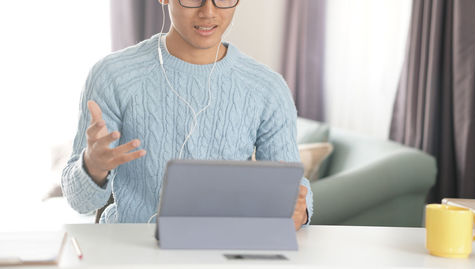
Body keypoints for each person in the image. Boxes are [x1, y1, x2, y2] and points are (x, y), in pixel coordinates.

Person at [61, 0, 313, 230]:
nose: (208, 12)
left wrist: (298, 211)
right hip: (133, 249)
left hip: (226, 248)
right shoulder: (112, 75)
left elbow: (292, 185)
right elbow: (80, 202)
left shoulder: (267, 87)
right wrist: (92, 166)